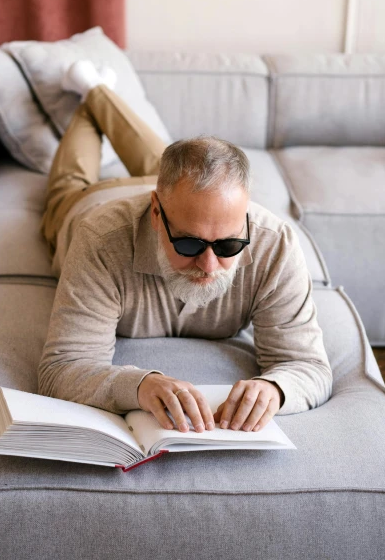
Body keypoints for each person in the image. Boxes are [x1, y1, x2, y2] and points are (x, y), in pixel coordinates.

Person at [38, 60, 333, 435]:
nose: (209, 265)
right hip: (89, 202)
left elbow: (309, 367)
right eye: (191, 243)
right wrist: (139, 386)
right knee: (68, 178)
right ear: (157, 213)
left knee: (173, 160)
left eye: (228, 244)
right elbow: (62, 367)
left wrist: (276, 388)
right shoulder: (99, 239)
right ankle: (89, 98)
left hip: (181, 193)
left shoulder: (274, 243)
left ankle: (97, 90)